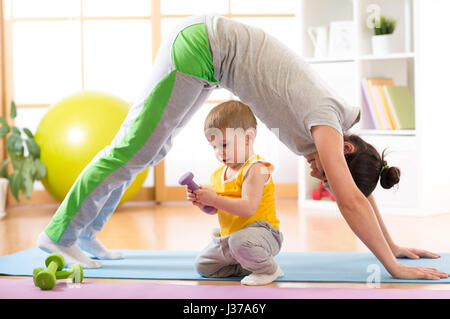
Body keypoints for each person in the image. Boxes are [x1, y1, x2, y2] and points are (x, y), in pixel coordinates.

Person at [37, 14, 448, 280]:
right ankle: (60, 234)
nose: (315, 172)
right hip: (199, 48)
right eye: (324, 170)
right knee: (133, 149)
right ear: (346, 151)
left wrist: (393, 245)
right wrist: (390, 266)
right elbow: (350, 201)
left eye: (320, 175)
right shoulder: (326, 124)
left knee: (152, 151)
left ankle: (85, 233)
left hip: (209, 59)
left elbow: (355, 194)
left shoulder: (335, 134)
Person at [186, 100, 283, 286]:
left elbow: (248, 208)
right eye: (214, 147)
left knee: (240, 242)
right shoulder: (218, 174)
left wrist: (215, 199)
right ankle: (248, 264)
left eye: (224, 145)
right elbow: (219, 209)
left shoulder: (256, 169)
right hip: (233, 238)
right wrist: (205, 204)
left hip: (263, 234)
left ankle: (268, 269)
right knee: (203, 265)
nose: (219, 153)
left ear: (247, 138)